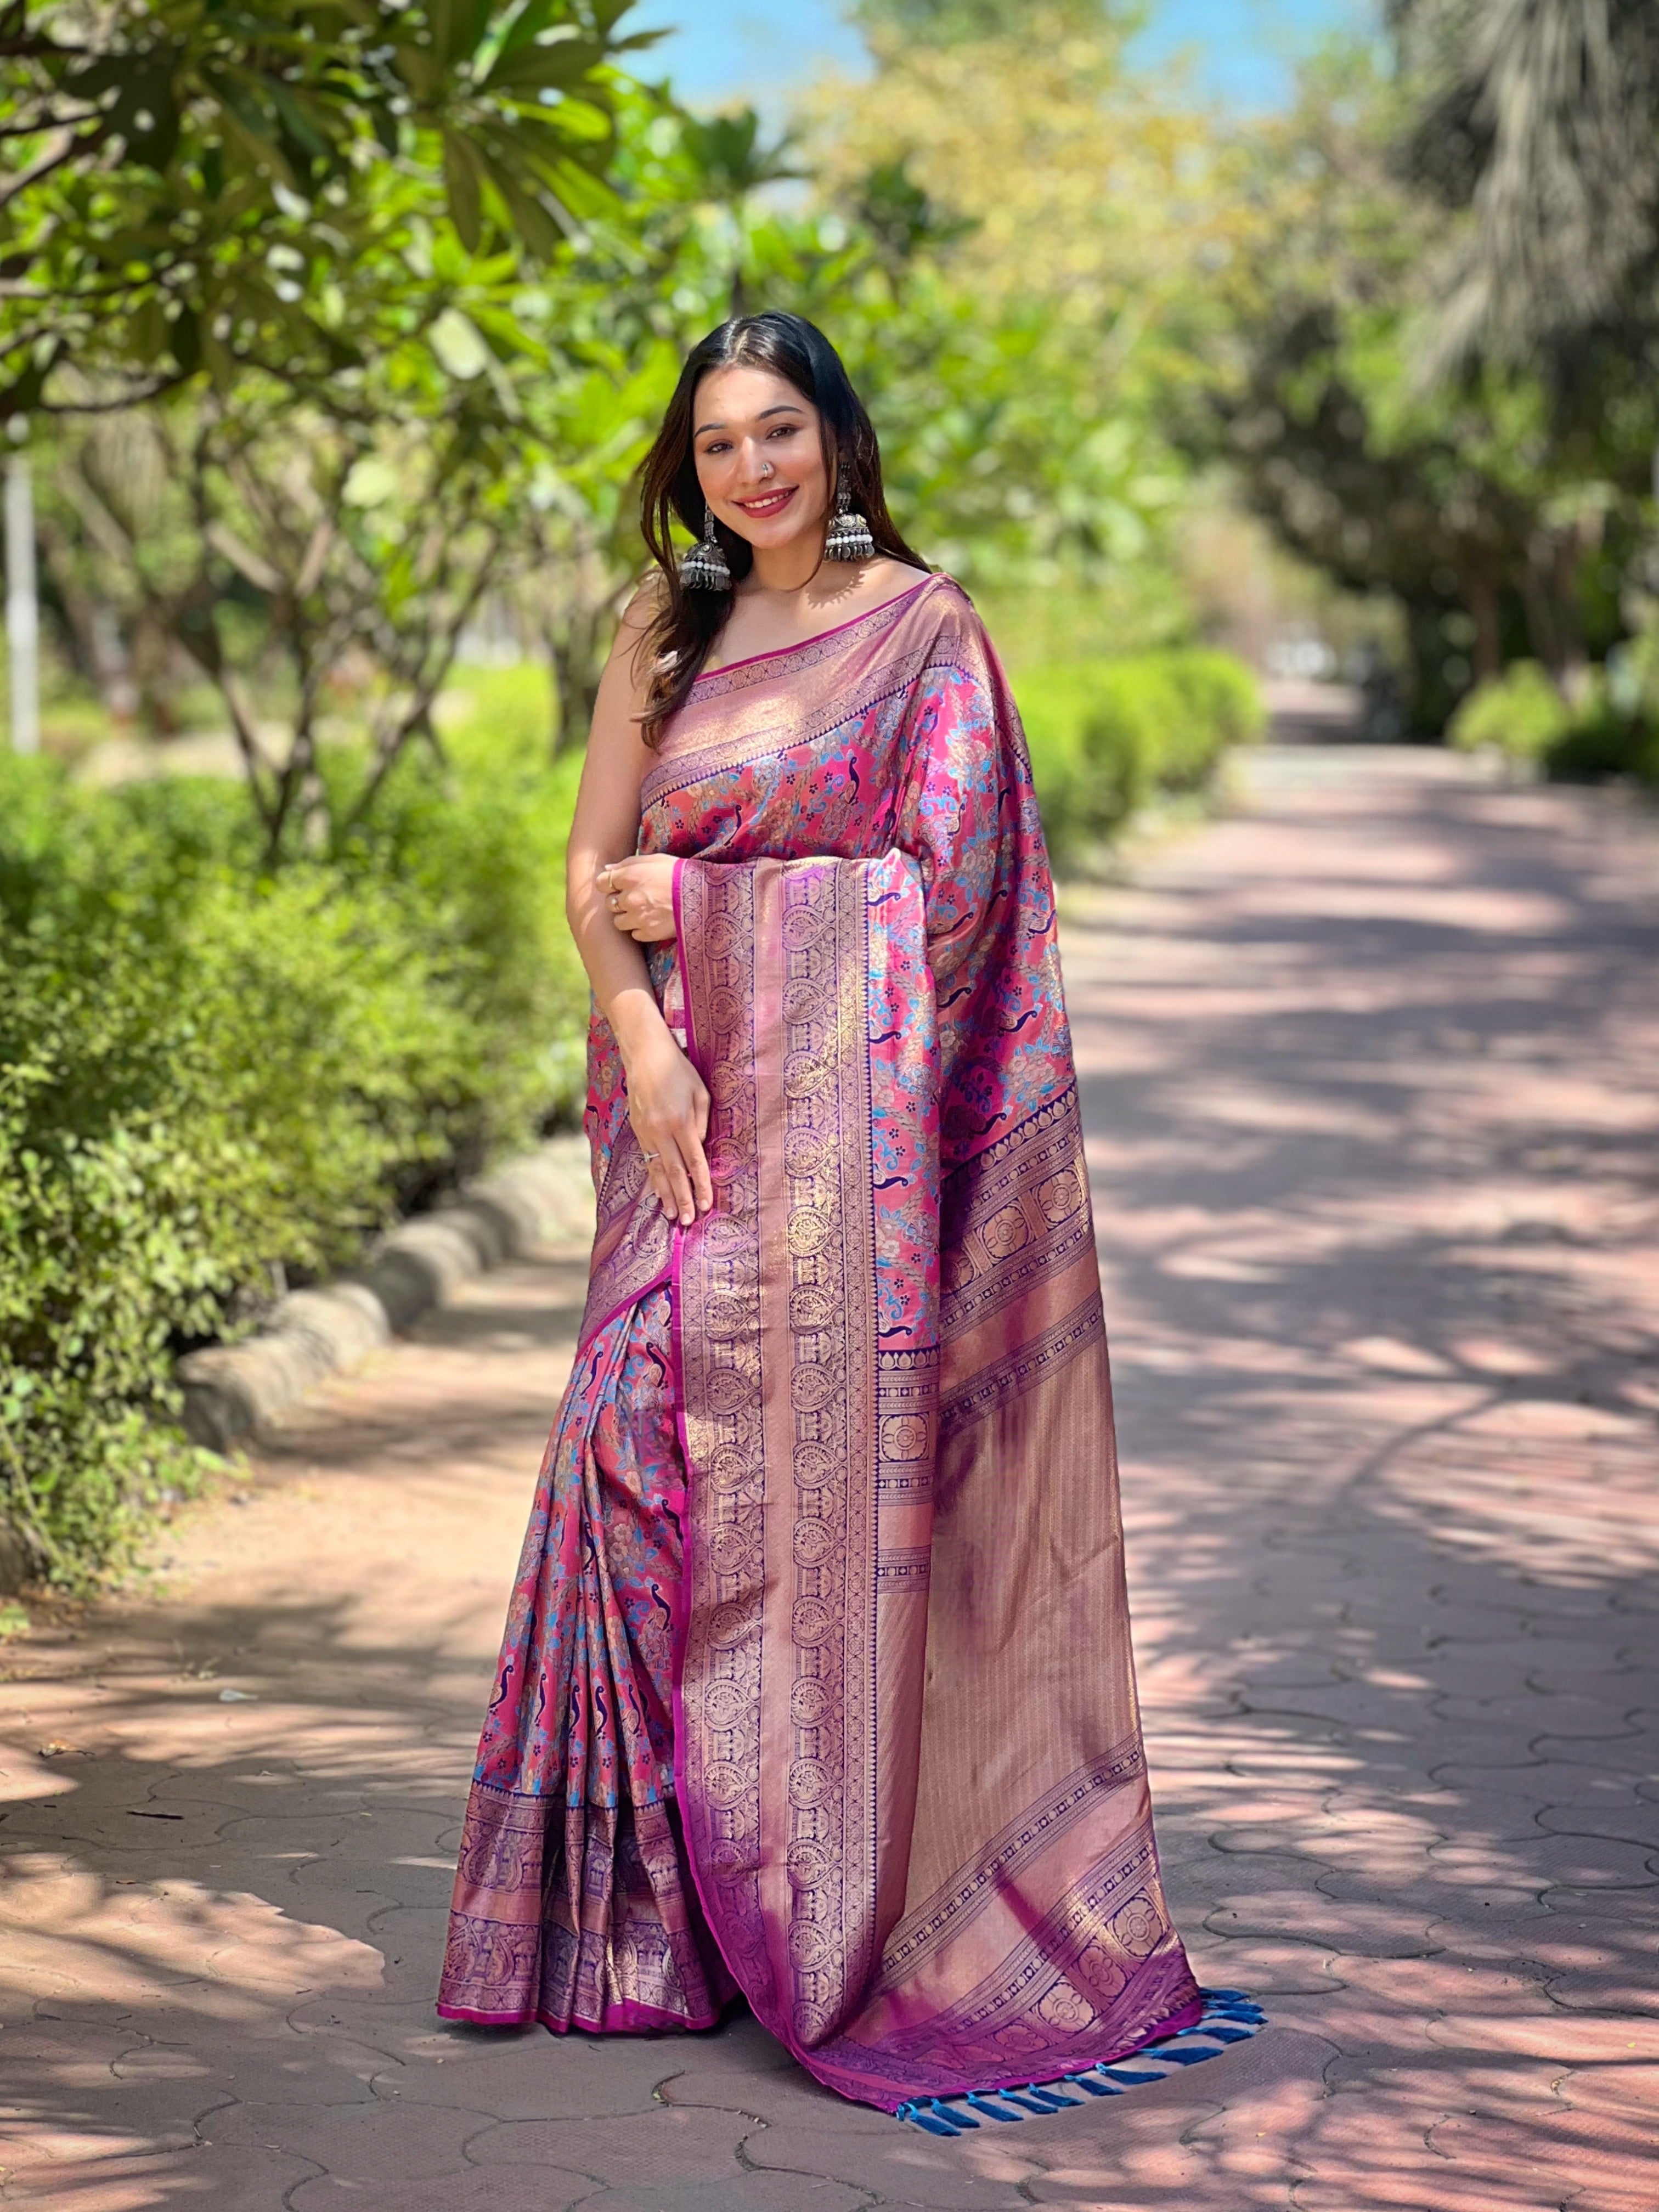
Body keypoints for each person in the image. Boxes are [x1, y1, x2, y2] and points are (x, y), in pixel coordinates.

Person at [437, 311, 1204, 2113]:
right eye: (716, 445)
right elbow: (588, 866)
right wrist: (639, 1029)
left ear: (839, 444)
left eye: (780, 432)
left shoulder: (928, 635)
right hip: (679, 1123)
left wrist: (709, 924)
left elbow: (953, 901)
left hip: (838, 1164)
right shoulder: (663, 624)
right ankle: (636, 1927)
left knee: (801, 1523)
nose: (751, 470)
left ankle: (802, 1898)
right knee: (627, 1453)